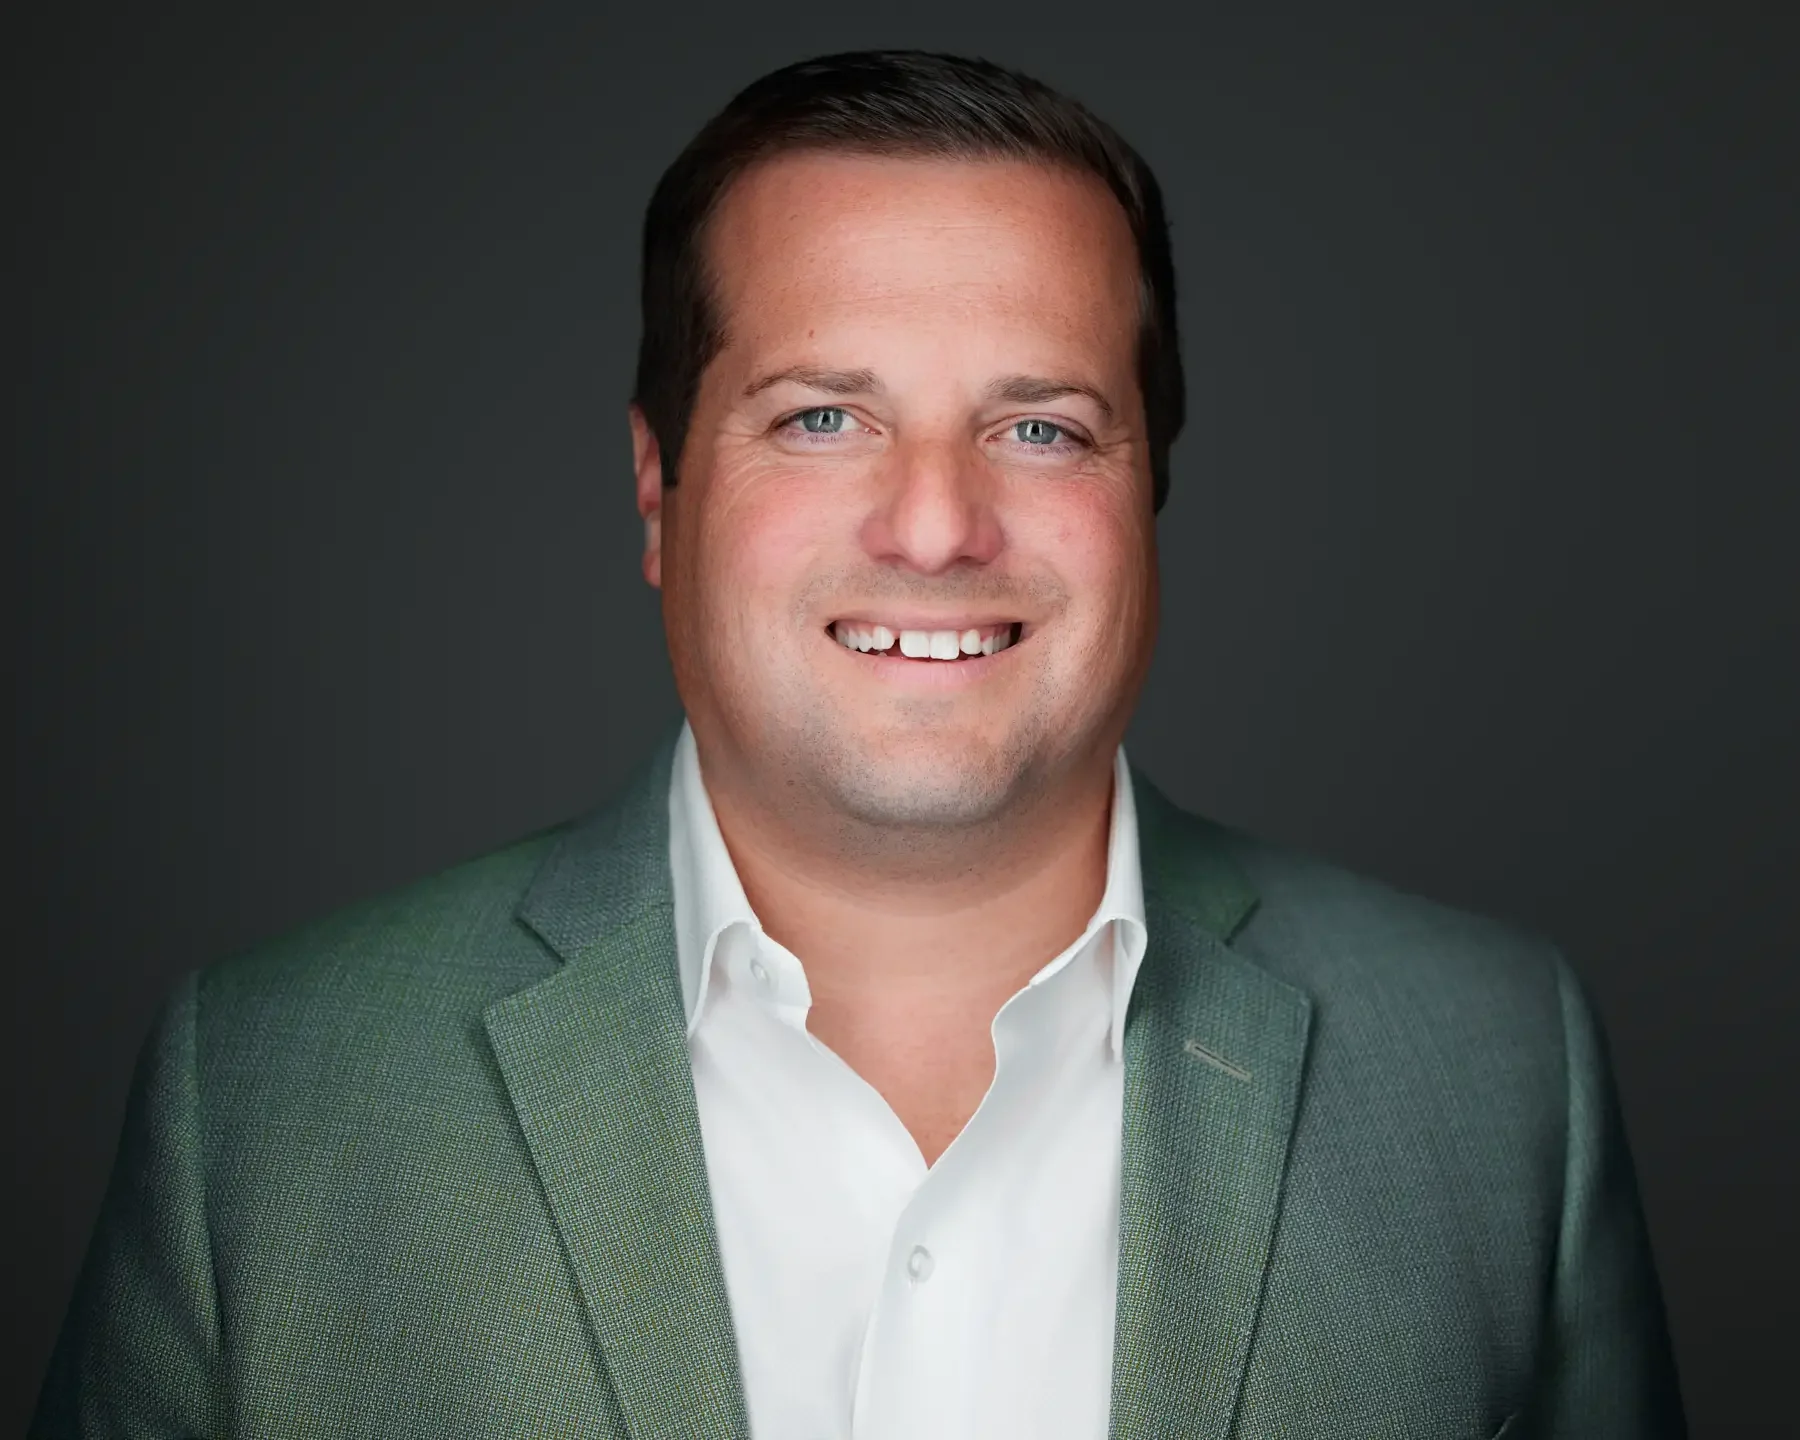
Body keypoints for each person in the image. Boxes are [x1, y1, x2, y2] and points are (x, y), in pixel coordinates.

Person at [34, 50, 1685, 1440]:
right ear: (656, 487)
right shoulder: (262, 1100)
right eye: (824, 417)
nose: (936, 523)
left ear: (1150, 490)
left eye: (1040, 427)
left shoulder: (1498, 1077)